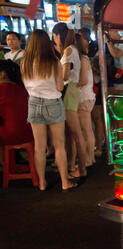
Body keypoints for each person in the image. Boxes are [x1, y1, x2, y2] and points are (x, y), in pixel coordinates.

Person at [20, 29, 77, 192]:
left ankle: (42, 183)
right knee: (59, 145)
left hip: (33, 103)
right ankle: (65, 182)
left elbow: (25, 85)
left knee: (39, 147)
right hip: (53, 102)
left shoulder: (25, 63)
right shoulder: (53, 61)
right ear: (47, 43)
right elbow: (60, 86)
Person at [52, 22, 88, 181]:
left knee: (76, 132)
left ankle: (82, 169)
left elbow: (65, 75)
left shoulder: (68, 50)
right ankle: (75, 166)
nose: (54, 39)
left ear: (58, 35)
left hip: (68, 90)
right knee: (74, 133)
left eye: (54, 36)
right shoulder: (73, 49)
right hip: (72, 90)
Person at [0, 60, 32, 166]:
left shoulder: (2, 88)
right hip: (29, 133)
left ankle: (3, 161)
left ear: (3, 74)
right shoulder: (23, 89)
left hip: (11, 136)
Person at [76, 30, 96, 167]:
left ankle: (89, 158)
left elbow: (82, 81)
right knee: (87, 129)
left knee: (86, 130)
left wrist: (70, 83)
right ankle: (91, 157)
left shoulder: (82, 59)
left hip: (83, 97)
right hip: (87, 96)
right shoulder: (84, 58)